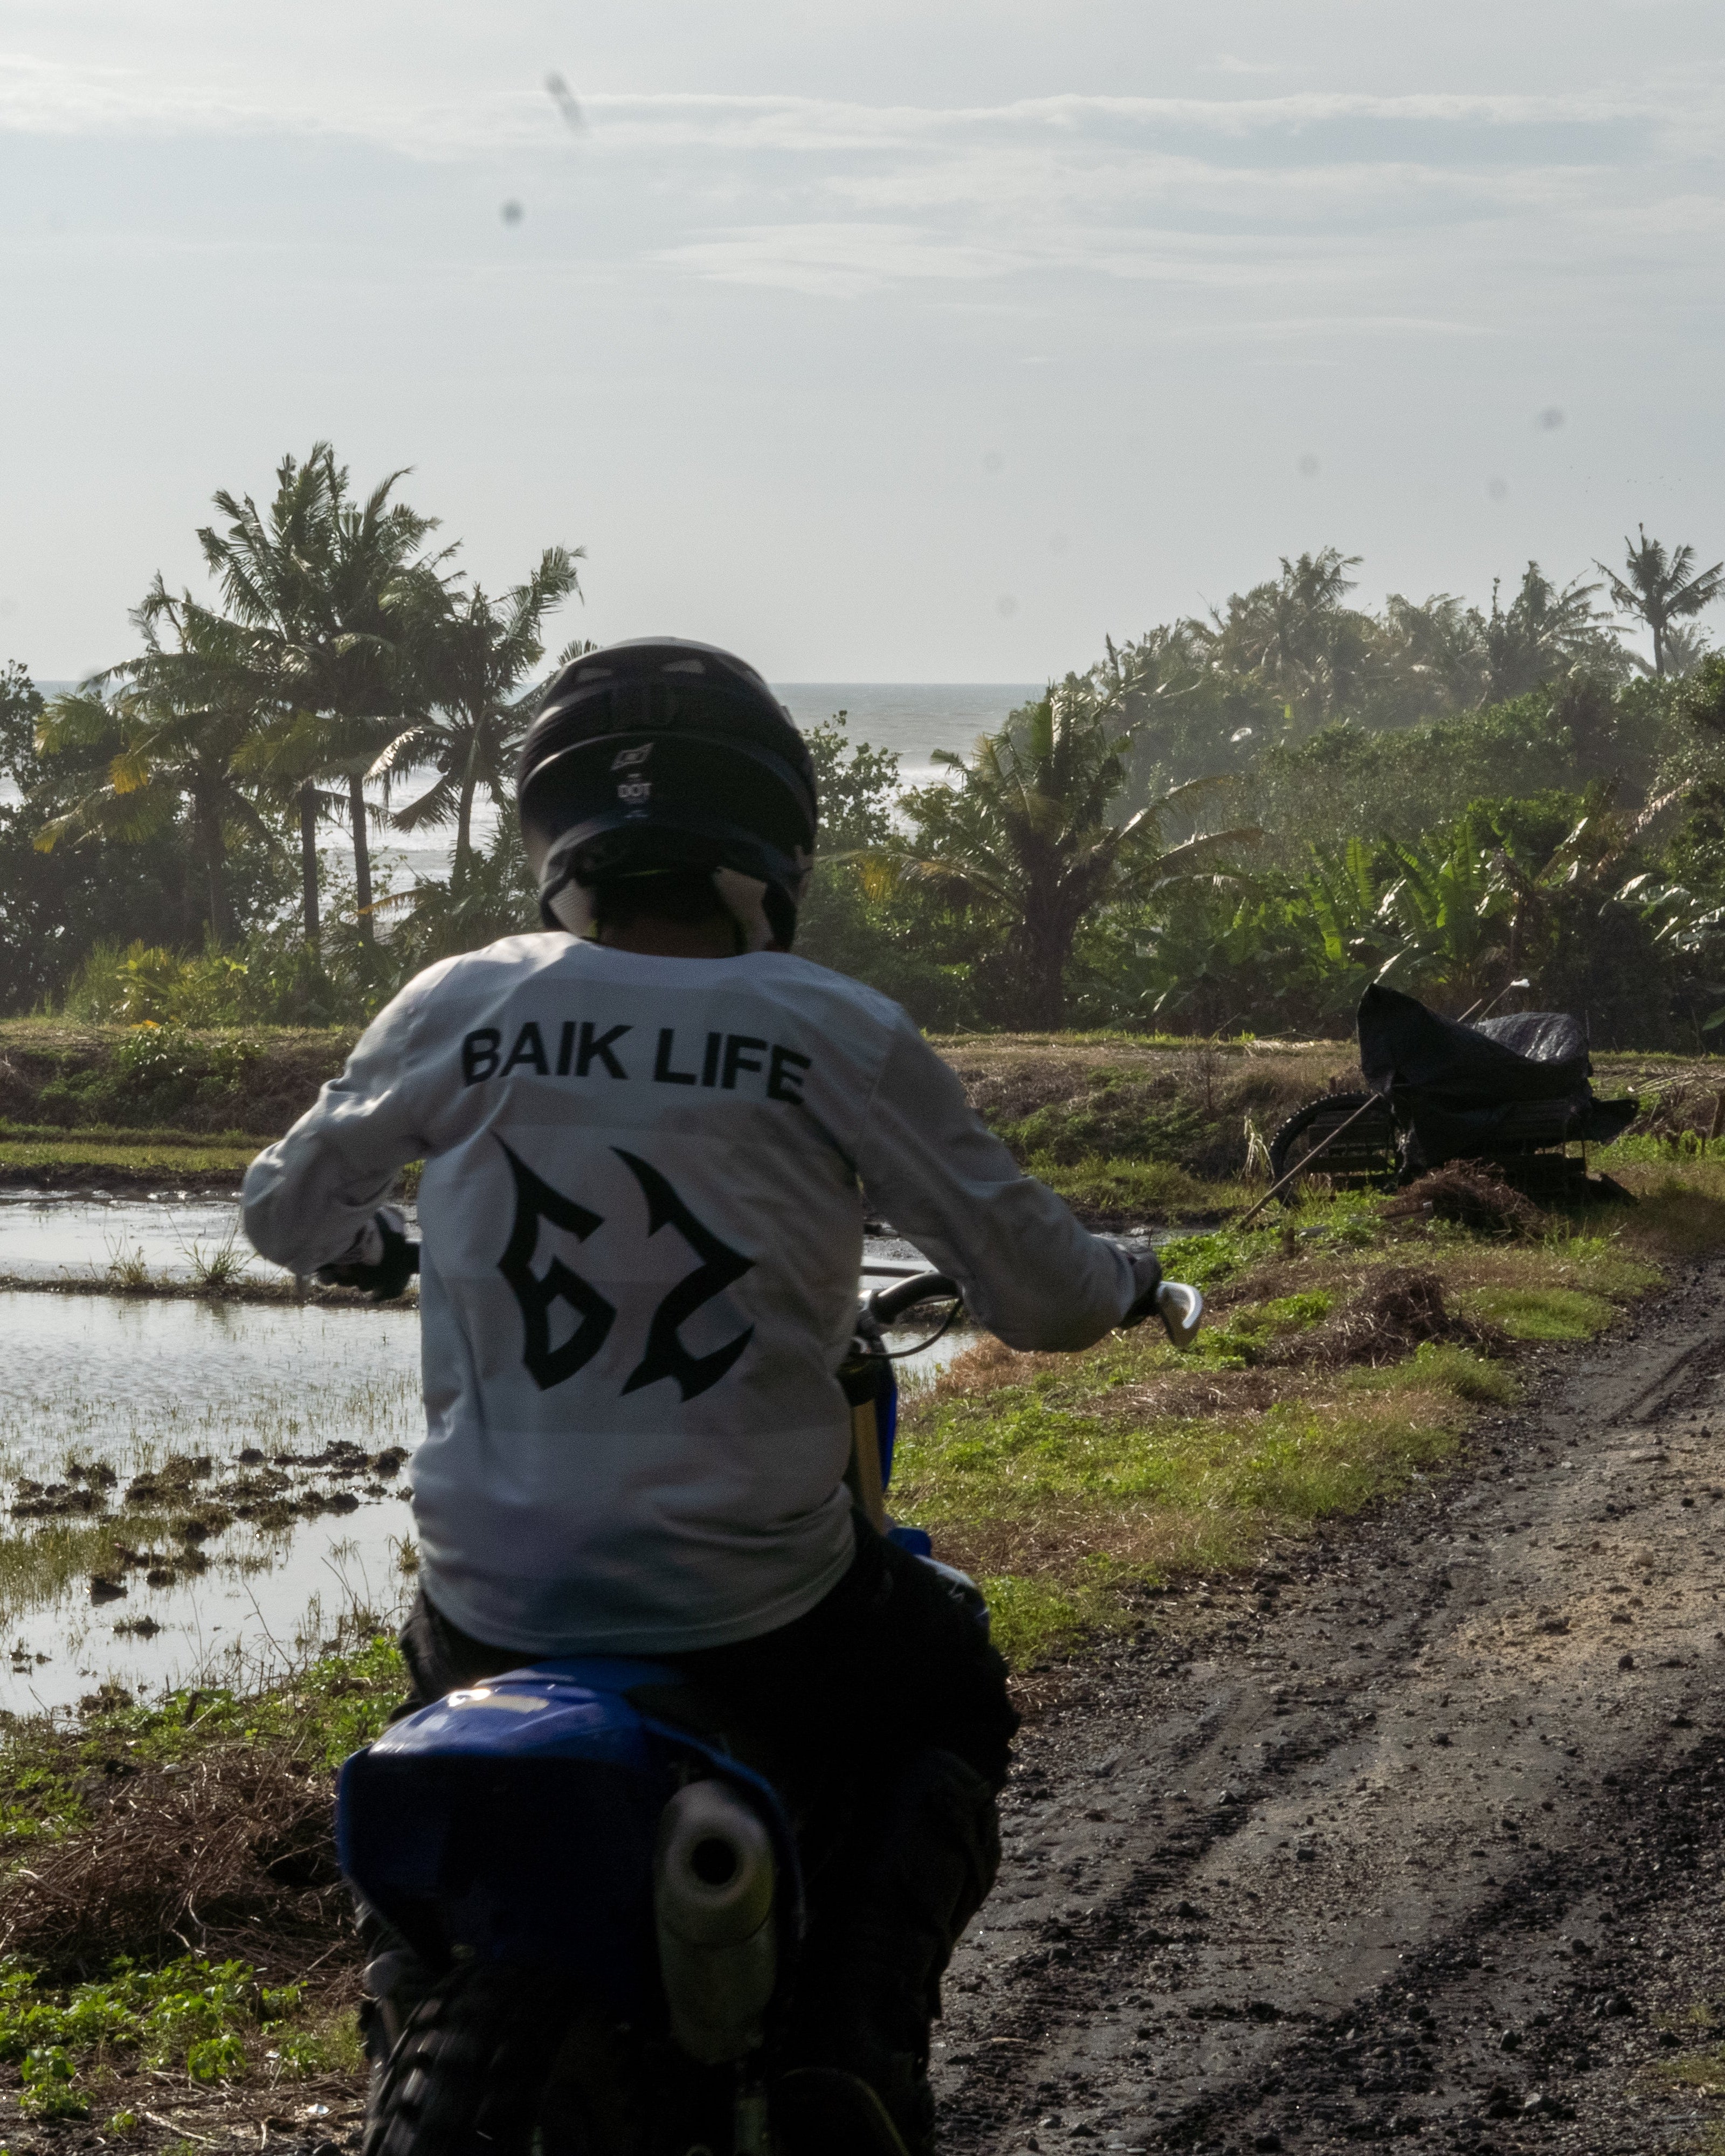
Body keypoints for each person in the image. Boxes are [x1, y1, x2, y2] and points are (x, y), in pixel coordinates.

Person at [242, 639, 1171, 2155]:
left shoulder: (462, 1001)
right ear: (771, 840)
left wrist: (370, 1254)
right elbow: (1046, 1293)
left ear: (555, 840)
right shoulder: (832, 1026)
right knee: (945, 1683)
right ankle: (850, 2055)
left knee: (431, 1699)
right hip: (755, 1608)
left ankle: (414, 1997)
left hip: (497, 1598)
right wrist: (1129, 1279)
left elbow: (284, 1211)